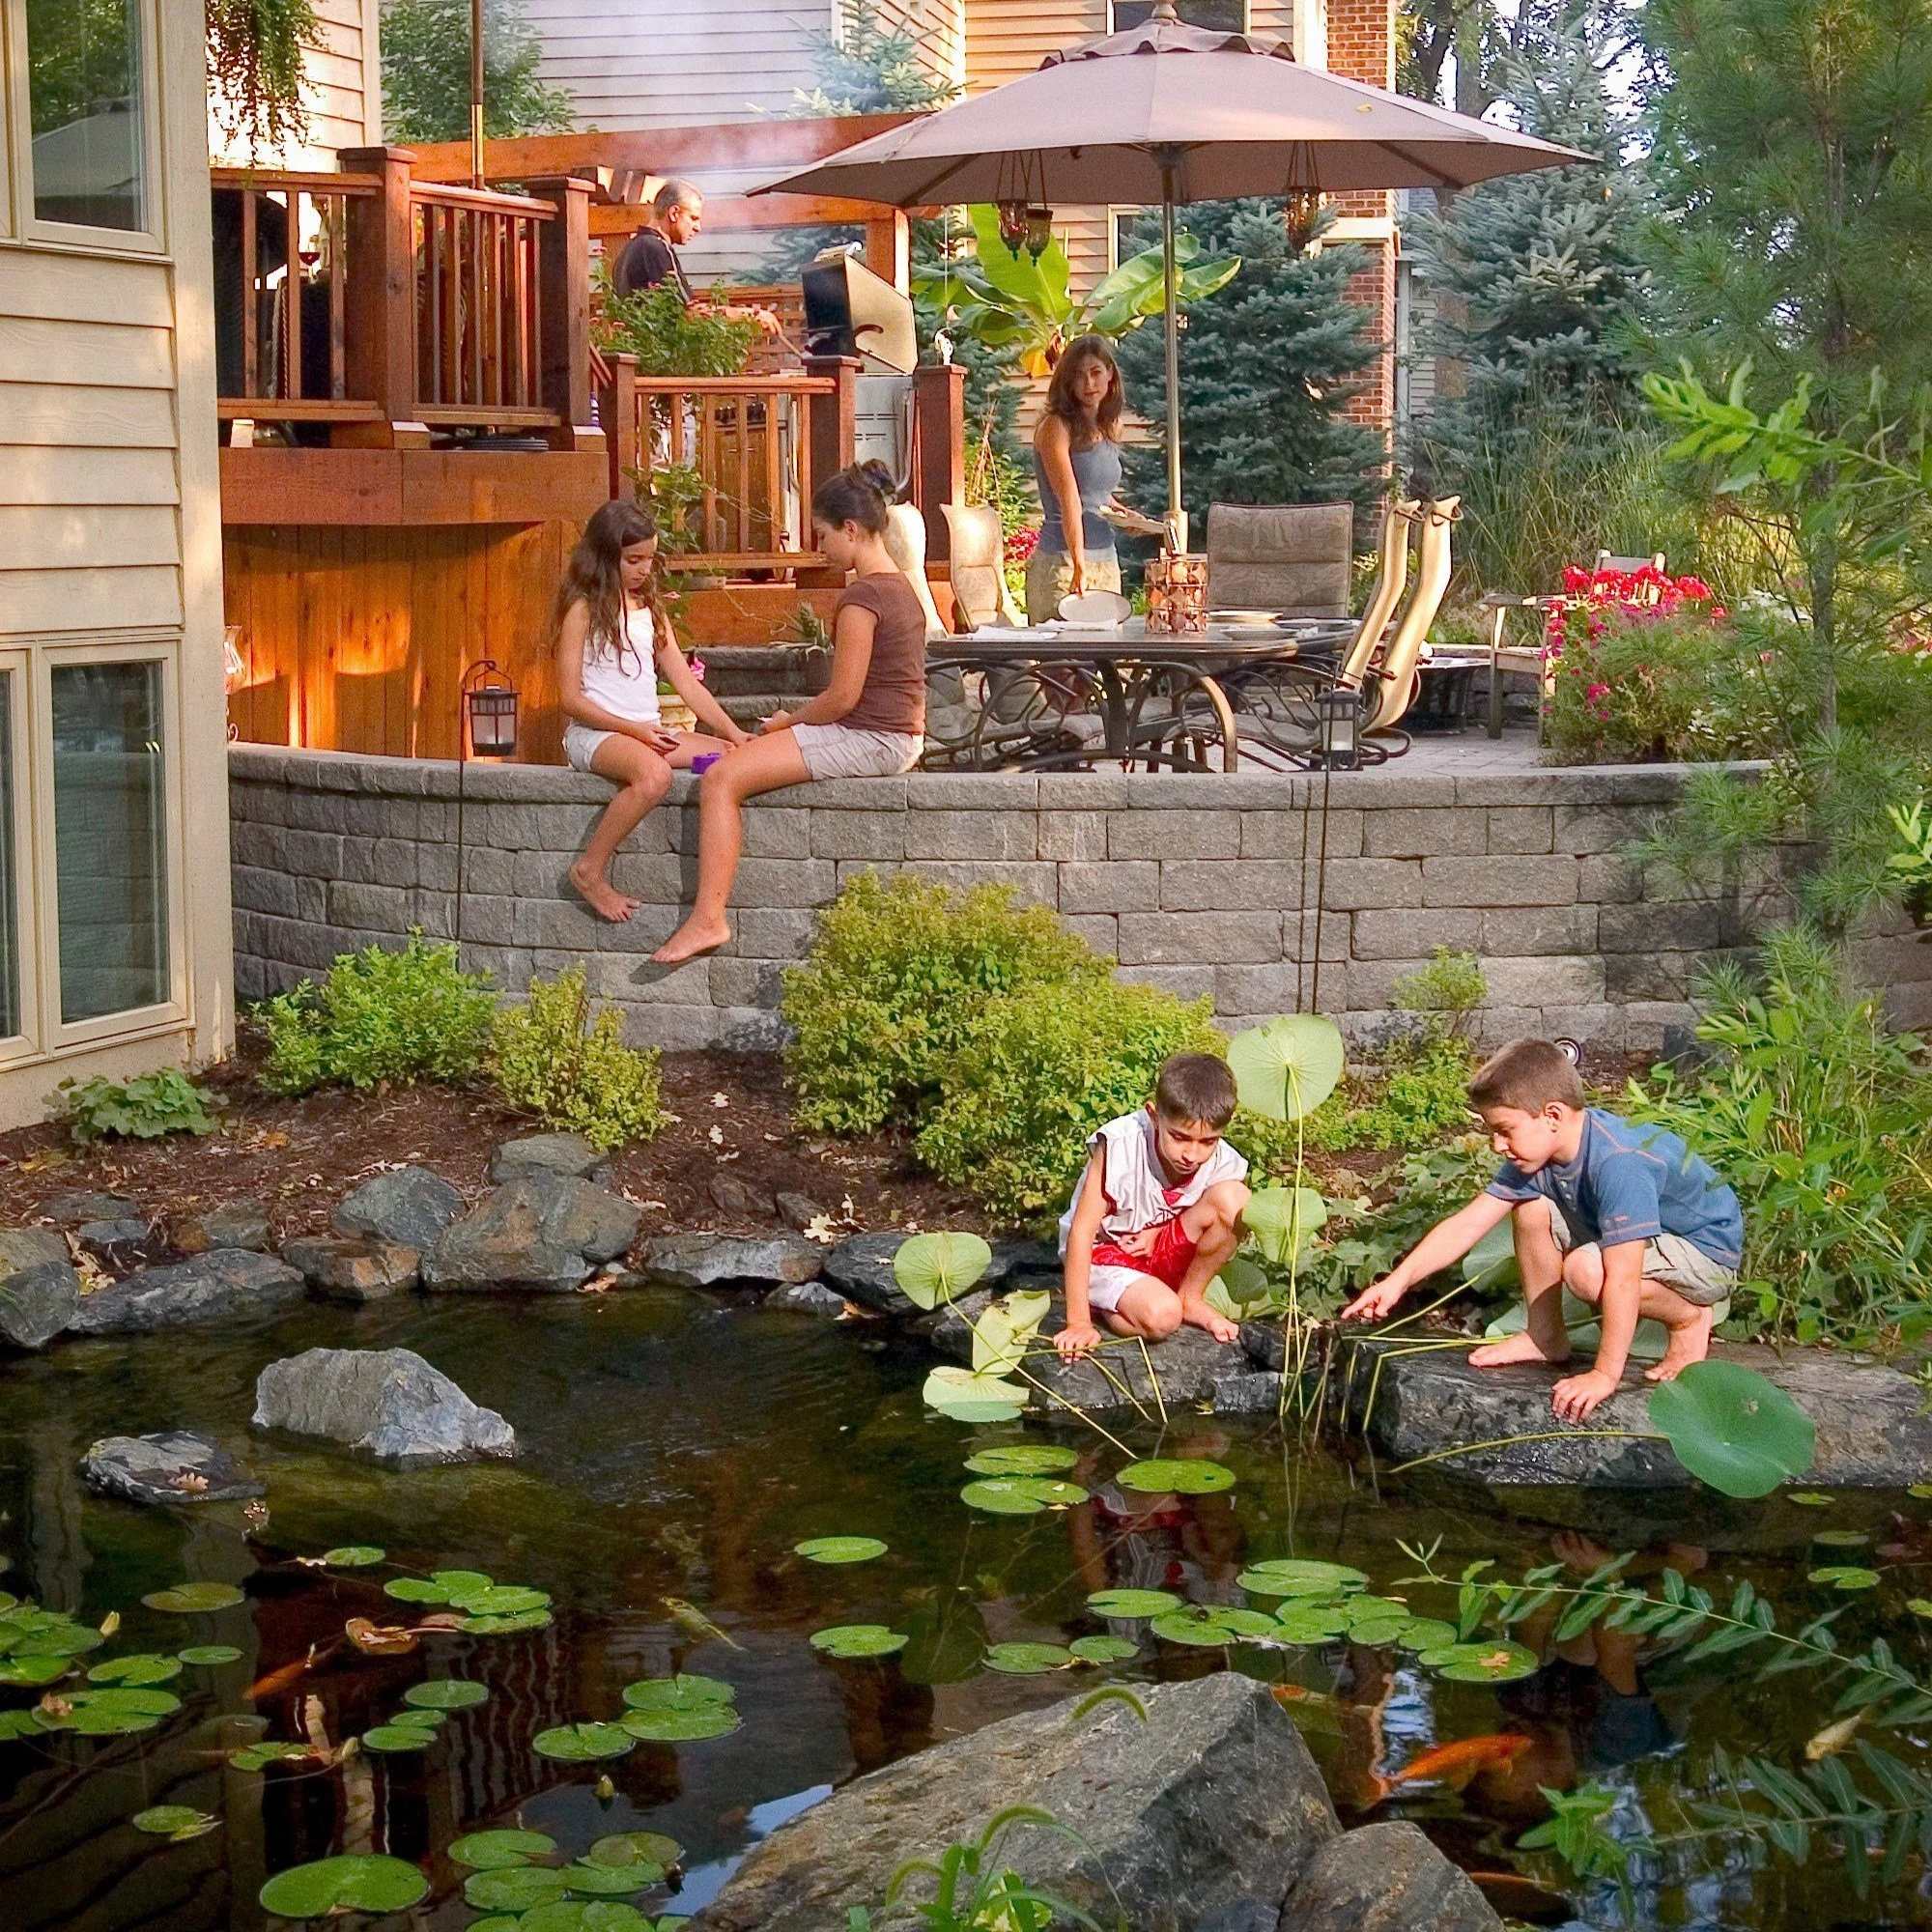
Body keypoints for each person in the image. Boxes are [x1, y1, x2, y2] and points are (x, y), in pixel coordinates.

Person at [1340, 1037, 1744, 1421]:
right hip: (1643, 1242)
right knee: (1530, 1207)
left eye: (1504, 1130)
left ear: (1552, 1115)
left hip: (1705, 1253)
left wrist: (1604, 1375)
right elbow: (1467, 1224)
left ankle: (1688, 1319)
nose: (1497, 1145)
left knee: (1587, 1272)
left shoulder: (1619, 1163)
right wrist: (1396, 1282)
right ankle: (1544, 1335)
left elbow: (1621, 1278)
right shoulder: (1538, 1155)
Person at [651, 462, 926, 964]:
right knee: (734, 754)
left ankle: (708, 919)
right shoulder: (902, 586)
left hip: (876, 740)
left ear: (851, 529)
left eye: (822, 535)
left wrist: (787, 721)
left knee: (722, 781)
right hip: (884, 734)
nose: (820, 547)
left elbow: (842, 698)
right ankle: (676, 759)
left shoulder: (864, 598)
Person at [554, 499, 748, 923]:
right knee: (655, 775)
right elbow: (569, 700)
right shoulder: (582, 611)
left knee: (728, 758)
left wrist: (733, 732)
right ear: (606, 557)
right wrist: (636, 732)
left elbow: (686, 684)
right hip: (597, 736)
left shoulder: (651, 612)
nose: (644, 569)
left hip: (650, 734)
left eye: (649, 558)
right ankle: (588, 870)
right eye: (633, 560)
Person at [1053, 1053, 1252, 1359]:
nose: (1192, 1154)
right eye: (1180, 1137)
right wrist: (1078, 1321)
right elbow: (1081, 1231)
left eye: (1207, 1142)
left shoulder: (1223, 1160)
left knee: (1236, 1200)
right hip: (1106, 1252)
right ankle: (1106, 1302)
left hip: (1155, 1248)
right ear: (1154, 1115)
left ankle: (1190, 1296)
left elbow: (1205, 1212)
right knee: (1162, 1318)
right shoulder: (1119, 1144)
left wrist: (1158, 1232)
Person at [1027, 334, 1157, 623]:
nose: (1088, 384)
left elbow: (1095, 492)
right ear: (1067, 382)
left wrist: (1124, 513)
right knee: (1062, 665)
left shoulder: (1110, 426)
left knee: (1103, 661)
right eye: (1079, 376)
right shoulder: (1055, 427)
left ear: (1110, 374)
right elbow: (1070, 499)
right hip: (1062, 561)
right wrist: (1079, 565)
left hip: (1106, 559)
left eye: (1096, 373)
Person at [611, 180, 781, 336]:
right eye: (693, 218)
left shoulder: (627, 251)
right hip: (661, 363)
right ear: (674, 213)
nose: (698, 227)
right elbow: (689, 314)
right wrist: (752, 315)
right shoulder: (656, 247)